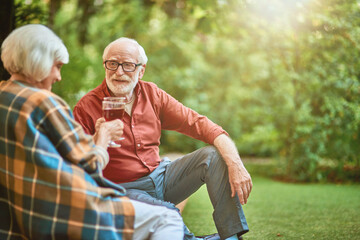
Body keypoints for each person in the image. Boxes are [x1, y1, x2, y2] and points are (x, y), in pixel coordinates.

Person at [0, 24, 185, 240]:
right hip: (66, 209)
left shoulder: (4, 95)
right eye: (57, 66)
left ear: (140, 70)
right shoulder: (45, 103)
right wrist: (103, 137)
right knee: (168, 218)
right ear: (37, 62)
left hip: (18, 215)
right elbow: (89, 166)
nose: (59, 76)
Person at [73, 37, 253, 240]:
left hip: (161, 177)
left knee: (213, 155)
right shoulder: (86, 107)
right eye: (112, 64)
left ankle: (230, 236)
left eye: (128, 65)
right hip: (122, 189)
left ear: (141, 71)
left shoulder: (153, 95)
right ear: (105, 66)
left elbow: (199, 124)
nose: (119, 72)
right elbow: (78, 166)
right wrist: (99, 139)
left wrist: (235, 163)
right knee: (168, 213)